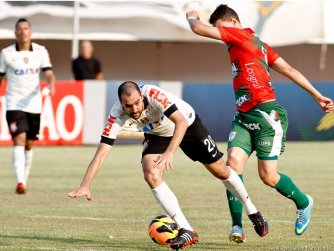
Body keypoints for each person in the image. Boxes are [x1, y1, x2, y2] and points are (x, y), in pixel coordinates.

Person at [186, 4, 334, 243]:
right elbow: (288, 69)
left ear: (233, 22)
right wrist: (316, 95)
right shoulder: (257, 46)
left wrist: (191, 14)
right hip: (244, 117)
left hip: (267, 116)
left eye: (221, 29)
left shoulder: (241, 35)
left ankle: (304, 202)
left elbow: (198, 29)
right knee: (231, 165)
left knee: (268, 177)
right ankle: (237, 227)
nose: (221, 36)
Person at [68, 81, 269, 250]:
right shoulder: (117, 114)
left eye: (137, 103)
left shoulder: (154, 94)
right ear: (121, 103)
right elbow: (102, 151)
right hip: (157, 134)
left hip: (187, 125)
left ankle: (252, 211)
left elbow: (180, 122)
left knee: (221, 171)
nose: (135, 109)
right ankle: (186, 229)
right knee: (150, 173)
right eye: (129, 106)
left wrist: (170, 152)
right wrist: (85, 184)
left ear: (141, 95)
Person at [0, 18, 56, 195]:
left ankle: (25, 178)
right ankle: (20, 182)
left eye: (26, 28)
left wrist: (51, 84)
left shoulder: (40, 51)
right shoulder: (6, 54)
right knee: (19, 139)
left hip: (34, 105)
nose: (23, 32)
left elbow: (48, 73)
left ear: (30, 32)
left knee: (29, 144)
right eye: (19, 29)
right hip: (14, 104)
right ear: (15, 33)